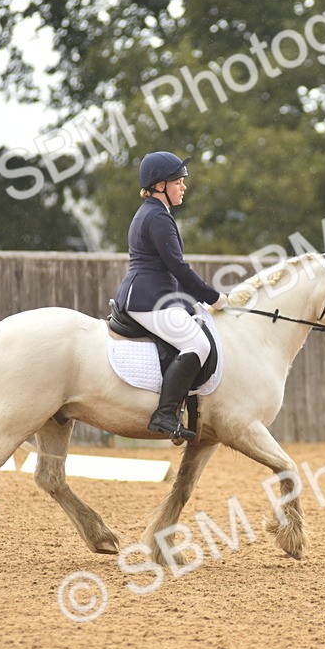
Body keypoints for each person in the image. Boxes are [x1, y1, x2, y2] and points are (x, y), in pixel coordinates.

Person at [114, 151, 228, 440]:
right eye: (178, 182)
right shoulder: (157, 217)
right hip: (147, 299)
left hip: (154, 295)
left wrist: (192, 300)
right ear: (160, 185)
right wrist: (213, 297)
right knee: (198, 344)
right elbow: (178, 267)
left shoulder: (153, 213)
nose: (183, 187)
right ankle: (164, 414)